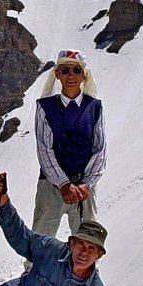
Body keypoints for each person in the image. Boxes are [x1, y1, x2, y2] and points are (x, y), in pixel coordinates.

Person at [32, 49, 107, 242]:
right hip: (50, 185)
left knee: (88, 240)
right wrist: (64, 184)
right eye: (65, 70)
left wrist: (86, 184)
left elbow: (99, 150)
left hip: (84, 188)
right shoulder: (44, 107)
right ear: (57, 75)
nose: (70, 76)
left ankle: (89, 273)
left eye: (76, 70)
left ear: (84, 76)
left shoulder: (95, 107)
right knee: (41, 241)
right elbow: (44, 149)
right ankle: (34, 272)